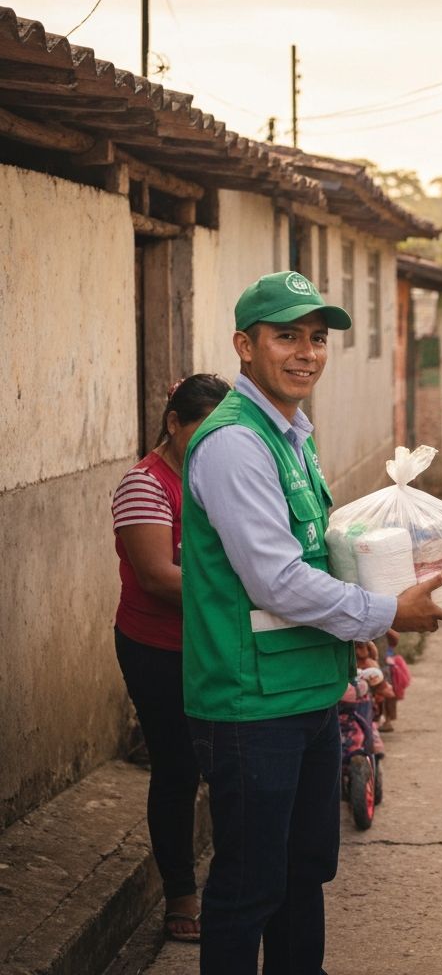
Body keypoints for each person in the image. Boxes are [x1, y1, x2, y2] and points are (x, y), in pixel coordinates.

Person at [180, 270, 442, 975]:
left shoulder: (292, 434)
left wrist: (379, 589)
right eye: (286, 336)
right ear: (246, 346)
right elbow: (275, 579)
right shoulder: (236, 443)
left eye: (317, 337)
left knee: (305, 874)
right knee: (249, 887)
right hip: (250, 704)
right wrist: (389, 607)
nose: (305, 352)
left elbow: (317, 552)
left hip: (305, 693)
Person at [112, 373, 230, 943]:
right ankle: (181, 895)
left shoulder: (219, 479)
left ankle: (233, 888)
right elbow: (159, 578)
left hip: (215, 642)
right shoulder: (145, 485)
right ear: (173, 423)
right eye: (198, 432)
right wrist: (249, 590)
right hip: (158, 648)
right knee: (178, 769)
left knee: (230, 763)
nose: (209, 445)